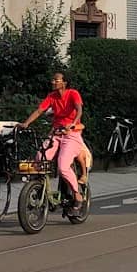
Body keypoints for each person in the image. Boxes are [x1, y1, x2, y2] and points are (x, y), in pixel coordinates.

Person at [21, 72, 87, 213]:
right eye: (53, 80)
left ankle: (77, 194)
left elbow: (79, 110)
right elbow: (39, 111)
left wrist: (73, 123)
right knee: (40, 157)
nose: (53, 82)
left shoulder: (73, 93)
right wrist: (26, 123)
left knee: (63, 166)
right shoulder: (51, 96)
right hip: (56, 134)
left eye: (56, 80)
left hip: (71, 135)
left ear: (64, 83)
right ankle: (39, 187)